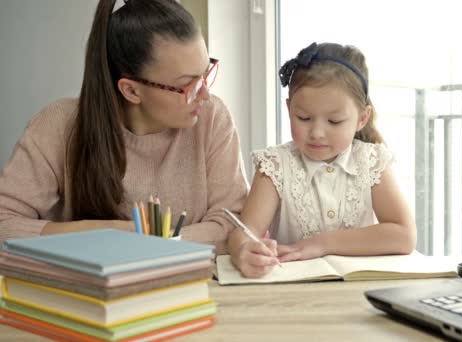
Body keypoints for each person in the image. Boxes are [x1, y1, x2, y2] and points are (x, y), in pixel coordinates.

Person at [0, 0, 248, 253]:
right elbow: (4, 224)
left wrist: (150, 243)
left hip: (192, 285)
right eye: (189, 85)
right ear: (131, 90)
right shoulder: (57, 125)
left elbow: (233, 223)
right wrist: (110, 234)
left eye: (206, 74)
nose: (205, 95)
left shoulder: (211, 117)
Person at [228, 42, 416, 278]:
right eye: (303, 117)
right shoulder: (275, 164)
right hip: (294, 294)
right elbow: (244, 231)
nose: (317, 132)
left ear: (362, 118)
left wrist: (323, 243)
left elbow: (404, 236)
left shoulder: (371, 161)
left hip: (359, 293)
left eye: (334, 121)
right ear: (289, 109)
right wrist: (244, 250)